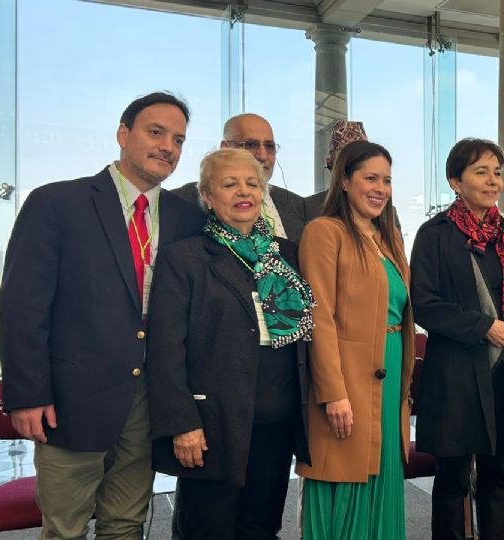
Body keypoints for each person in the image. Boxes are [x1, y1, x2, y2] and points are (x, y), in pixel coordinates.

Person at [0, 91, 204, 538]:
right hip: (71, 402)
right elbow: (22, 307)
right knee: (65, 528)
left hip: (150, 401)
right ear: (122, 134)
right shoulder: (57, 203)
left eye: (179, 139)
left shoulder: (187, 218)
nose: (168, 146)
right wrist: (26, 393)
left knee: (126, 524)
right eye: (156, 132)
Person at [145, 148, 314, 538]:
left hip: (277, 421)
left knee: (261, 526)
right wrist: (183, 424)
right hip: (212, 426)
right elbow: (166, 350)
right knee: (208, 528)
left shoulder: (285, 255)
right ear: (207, 195)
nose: (244, 191)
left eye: (253, 183)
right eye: (229, 183)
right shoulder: (185, 258)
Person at [411, 138, 504, 540]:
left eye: (497, 172)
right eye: (481, 172)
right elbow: (425, 305)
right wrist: (481, 326)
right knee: (451, 483)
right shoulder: (434, 235)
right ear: (456, 181)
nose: (493, 181)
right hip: (456, 377)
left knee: (497, 479)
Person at [296, 140, 415, 539]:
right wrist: (333, 393)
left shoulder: (390, 238)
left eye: (386, 180)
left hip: (390, 372)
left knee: (383, 480)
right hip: (347, 380)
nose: (380, 188)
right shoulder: (323, 232)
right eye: (370, 178)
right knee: (345, 481)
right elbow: (319, 316)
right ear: (344, 181)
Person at [172, 113, 309, 240]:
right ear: (225, 148)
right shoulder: (181, 202)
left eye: (269, 146)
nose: (262, 155)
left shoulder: (297, 205)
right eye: (251, 144)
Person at [304, 119, 369, 219]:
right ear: (330, 162)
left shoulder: (382, 211)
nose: (352, 165)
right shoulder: (310, 207)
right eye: (345, 158)